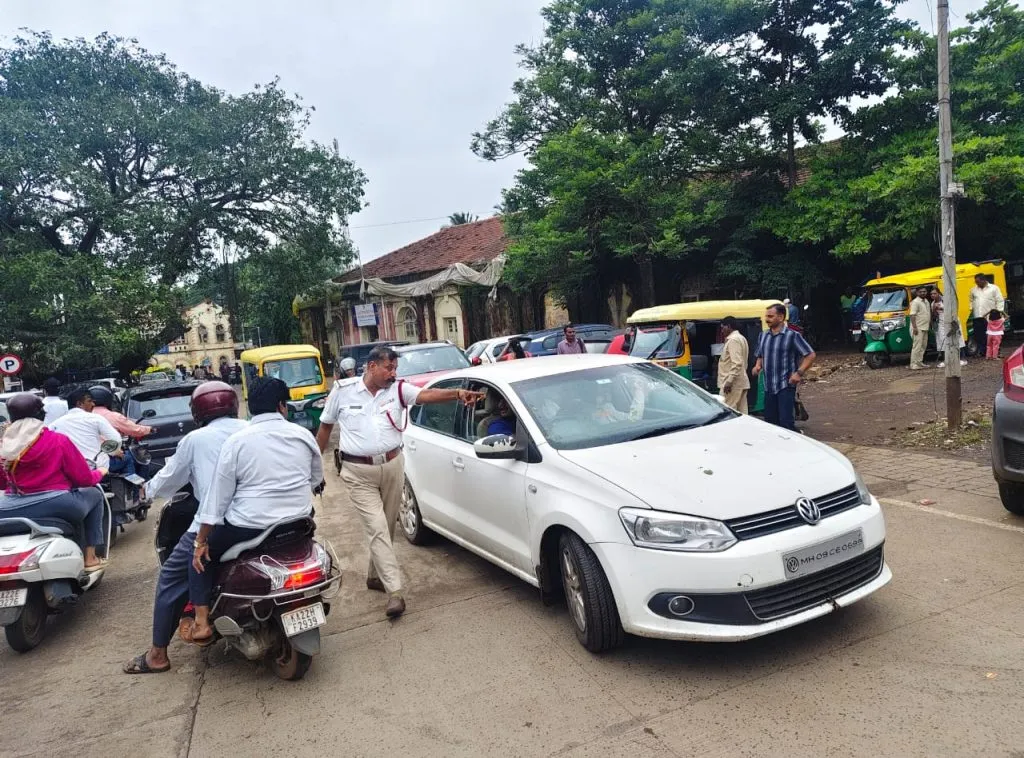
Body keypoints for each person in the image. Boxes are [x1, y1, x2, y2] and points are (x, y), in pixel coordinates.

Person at [315, 346, 484, 618]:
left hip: (393, 466)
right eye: (388, 368)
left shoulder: (397, 389)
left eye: (395, 368)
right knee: (378, 527)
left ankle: (374, 575)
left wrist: (456, 394)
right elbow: (325, 428)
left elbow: (425, 395)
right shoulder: (343, 391)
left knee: (387, 526)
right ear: (371, 367)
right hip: (358, 472)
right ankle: (394, 591)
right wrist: (314, 469)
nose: (393, 373)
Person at [123, 381, 245, 674]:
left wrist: (146, 491)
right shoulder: (250, 429)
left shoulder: (195, 440)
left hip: (214, 521)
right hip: (261, 517)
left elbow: (170, 477)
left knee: (171, 576)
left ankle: (158, 655)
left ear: (198, 411)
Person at [188, 377, 322, 642]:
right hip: (298, 521)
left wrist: (201, 540)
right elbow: (316, 479)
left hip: (250, 527)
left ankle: (202, 622)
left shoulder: (238, 442)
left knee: (199, 560)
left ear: (249, 408)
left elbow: (216, 500)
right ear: (282, 406)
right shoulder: (303, 434)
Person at [0, 394, 107, 571]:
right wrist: (99, 472)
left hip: (8, 509)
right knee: (95, 494)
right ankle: (90, 557)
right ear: (40, 415)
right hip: (56, 504)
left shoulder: (5, 446)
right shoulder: (58, 440)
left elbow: (3, 485)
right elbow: (84, 479)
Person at [753, 304, 816, 430]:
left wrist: (799, 373)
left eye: (771, 316)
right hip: (768, 386)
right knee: (770, 421)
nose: (767, 319)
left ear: (781, 317)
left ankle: (794, 445)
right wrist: (757, 365)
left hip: (785, 385)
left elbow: (810, 355)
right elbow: (760, 354)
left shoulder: (793, 336)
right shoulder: (763, 335)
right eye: (766, 316)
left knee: (786, 422)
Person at [51, 387, 123, 469]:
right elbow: (117, 439)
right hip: (98, 468)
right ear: (79, 404)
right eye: (89, 401)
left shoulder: (55, 424)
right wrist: (113, 452)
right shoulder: (95, 418)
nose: (93, 404)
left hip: (70, 471)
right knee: (127, 459)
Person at [717, 317, 751, 414]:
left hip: (732, 384)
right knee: (742, 413)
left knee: (728, 413)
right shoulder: (741, 338)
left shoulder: (733, 340)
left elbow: (737, 363)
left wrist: (729, 381)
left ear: (729, 326)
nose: (722, 330)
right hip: (740, 381)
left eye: (723, 327)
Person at [970, 274, 1005, 359]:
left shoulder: (994, 288)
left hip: (991, 317)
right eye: (975, 281)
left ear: (983, 280)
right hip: (978, 316)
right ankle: (982, 352)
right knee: (979, 335)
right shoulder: (973, 290)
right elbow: (970, 300)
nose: (976, 283)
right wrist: (971, 309)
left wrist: (998, 313)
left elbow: (999, 300)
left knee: (994, 335)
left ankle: (997, 352)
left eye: (977, 281)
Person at [909, 287, 932, 370]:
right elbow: (912, 315)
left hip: (925, 327)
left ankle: (919, 362)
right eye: (921, 292)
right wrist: (915, 327)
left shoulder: (926, 301)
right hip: (918, 328)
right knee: (917, 346)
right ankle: (913, 364)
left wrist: (930, 325)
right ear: (917, 293)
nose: (923, 293)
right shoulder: (915, 302)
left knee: (923, 346)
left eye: (924, 291)